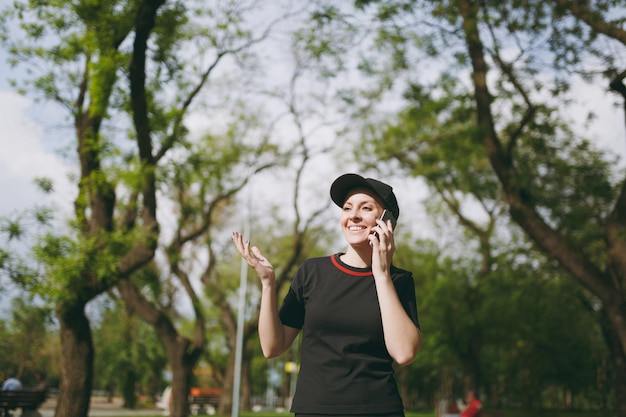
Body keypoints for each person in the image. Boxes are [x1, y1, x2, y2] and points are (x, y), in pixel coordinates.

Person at [232, 173, 422, 417]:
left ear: (387, 222)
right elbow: (272, 346)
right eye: (347, 208)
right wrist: (268, 283)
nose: (353, 215)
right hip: (313, 410)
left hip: (378, 410)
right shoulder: (312, 271)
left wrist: (382, 274)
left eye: (366, 208)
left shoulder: (399, 281)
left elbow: (405, 353)